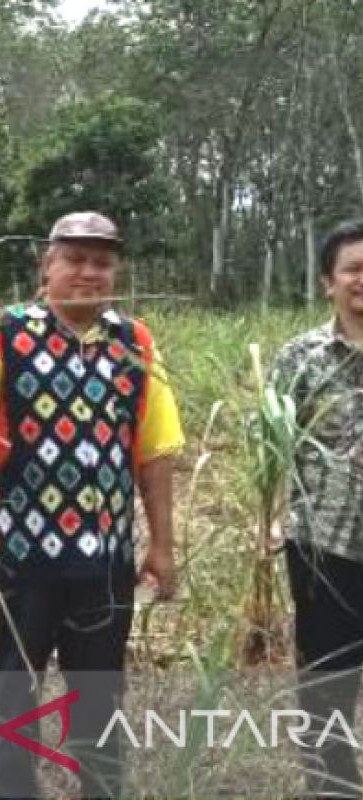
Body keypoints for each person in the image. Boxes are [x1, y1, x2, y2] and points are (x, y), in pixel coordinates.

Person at [0, 211, 184, 798]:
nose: (89, 273)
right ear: (46, 267)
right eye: (74, 259)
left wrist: (163, 545)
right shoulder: (0, 333)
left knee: (99, 687)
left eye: (101, 262)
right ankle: (8, 783)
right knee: (12, 682)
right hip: (22, 557)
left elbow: (154, 453)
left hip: (104, 561)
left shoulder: (136, 343)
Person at [274, 218, 363, 799]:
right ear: (328, 281)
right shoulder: (300, 357)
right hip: (324, 550)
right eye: (353, 270)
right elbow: (273, 450)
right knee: (326, 686)